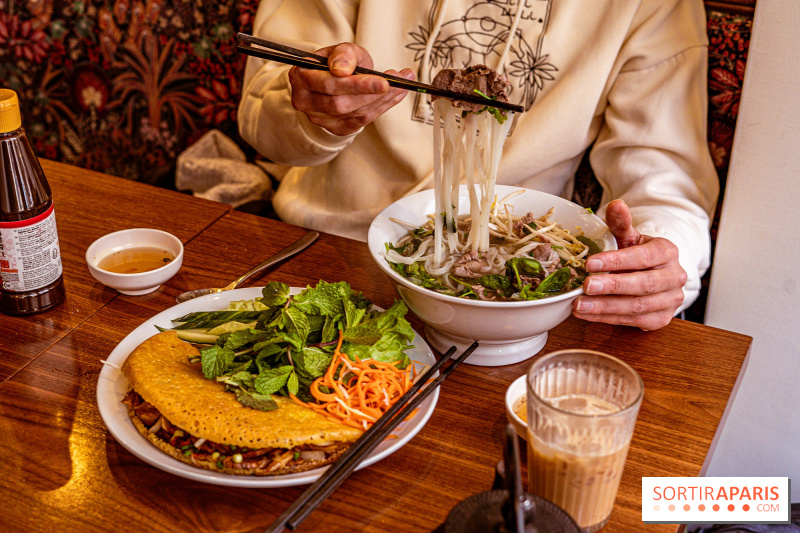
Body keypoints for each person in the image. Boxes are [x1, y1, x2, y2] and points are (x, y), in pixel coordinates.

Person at [237, 0, 719, 331]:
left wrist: (658, 254)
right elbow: (262, 116)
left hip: (511, 297)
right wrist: (314, 107)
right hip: (323, 253)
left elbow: (665, 181)